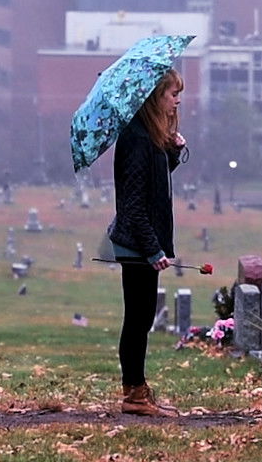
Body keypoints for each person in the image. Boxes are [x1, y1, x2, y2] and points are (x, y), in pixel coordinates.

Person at [106, 67, 187, 417]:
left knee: (142, 317)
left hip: (142, 242)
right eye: (172, 93)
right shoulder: (136, 139)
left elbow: (154, 183)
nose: (177, 99)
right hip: (137, 243)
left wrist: (170, 151)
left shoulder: (149, 138)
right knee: (138, 319)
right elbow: (133, 204)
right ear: (156, 97)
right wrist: (153, 249)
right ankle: (134, 395)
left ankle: (136, 391)